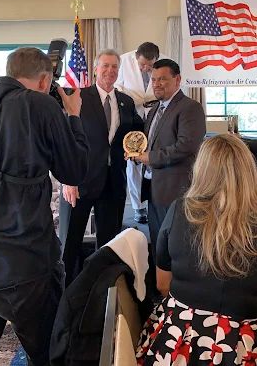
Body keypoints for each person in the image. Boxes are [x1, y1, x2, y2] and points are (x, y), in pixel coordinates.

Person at [0, 47, 89, 366]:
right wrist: (74, 116)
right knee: (49, 355)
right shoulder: (40, 105)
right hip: (27, 263)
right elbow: (74, 171)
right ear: (44, 81)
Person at [136, 134, 257, 365]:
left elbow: (163, 284)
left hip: (180, 339)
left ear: (201, 169)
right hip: (247, 342)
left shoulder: (180, 210)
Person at [59, 49, 143, 287]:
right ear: (95, 69)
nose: (110, 71)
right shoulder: (77, 97)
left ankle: (101, 289)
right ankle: (67, 290)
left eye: (114, 67)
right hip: (79, 181)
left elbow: (136, 134)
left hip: (113, 183)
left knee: (109, 243)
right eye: (105, 66)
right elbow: (65, 139)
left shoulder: (126, 102)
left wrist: (139, 151)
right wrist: (68, 179)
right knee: (70, 241)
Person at [133, 59, 206, 255]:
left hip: (176, 192)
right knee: (158, 246)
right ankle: (160, 285)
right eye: (154, 79)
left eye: (163, 79)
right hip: (154, 191)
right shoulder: (155, 109)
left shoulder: (190, 107)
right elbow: (149, 144)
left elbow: (186, 146)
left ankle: (176, 286)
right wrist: (135, 154)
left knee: (177, 248)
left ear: (178, 80)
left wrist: (151, 157)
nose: (156, 84)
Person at [115, 42, 165, 224]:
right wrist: (133, 98)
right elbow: (117, 88)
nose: (145, 69)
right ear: (136, 57)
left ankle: (156, 202)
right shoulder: (123, 61)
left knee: (155, 158)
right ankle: (138, 207)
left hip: (156, 115)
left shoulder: (166, 62)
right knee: (134, 160)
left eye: (149, 66)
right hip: (132, 115)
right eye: (142, 65)